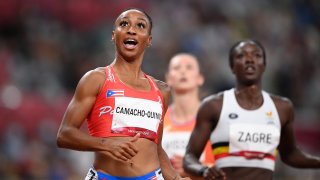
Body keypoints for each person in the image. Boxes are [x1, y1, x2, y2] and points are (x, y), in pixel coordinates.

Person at [56, 8, 190, 180]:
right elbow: (64, 134)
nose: (131, 29)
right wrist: (105, 144)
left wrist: (175, 178)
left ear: (149, 40)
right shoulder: (96, 79)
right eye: (124, 24)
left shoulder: (161, 91)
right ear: (114, 35)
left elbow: (155, 147)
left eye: (140, 25)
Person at [183, 40, 320, 180]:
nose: (249, 59)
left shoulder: (282, 108)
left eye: (256, 55)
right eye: (241, 56)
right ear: (232, 66)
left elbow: (290, 154)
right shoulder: (214, 106)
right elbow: (189, 157)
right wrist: (204, 170)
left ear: (264, 65)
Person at [162, 53, 215, 179]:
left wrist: (196, 168)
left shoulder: (215, 119)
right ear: (168, 78)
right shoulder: (158, 118)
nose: (183, 71)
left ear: (200, 78)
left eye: (189, 67)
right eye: (176, 68)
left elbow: (231, 169)